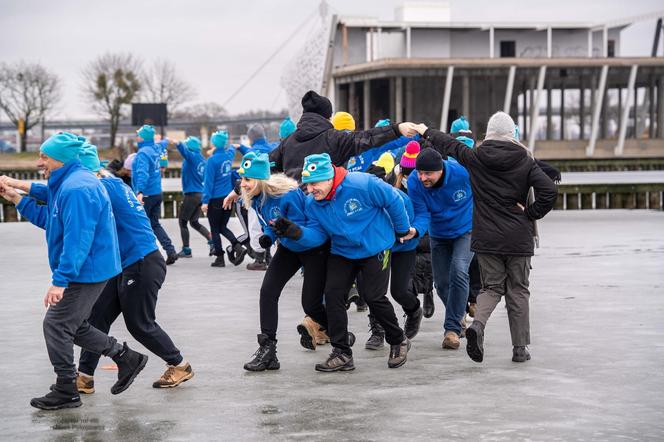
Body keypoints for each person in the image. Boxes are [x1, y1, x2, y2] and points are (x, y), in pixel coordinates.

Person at [0, 133, 148, 410]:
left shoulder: (78, 188)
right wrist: (16, 197)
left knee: (55, 325)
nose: (38, 162)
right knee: (74, 325)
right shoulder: (68, 182)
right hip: (91, 267)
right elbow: (51, 219)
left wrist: (60, 280)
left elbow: (78, 240)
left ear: (62, 158)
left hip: (86, 270)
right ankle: (126, 357)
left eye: (44, 157)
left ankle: (66, 389)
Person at [414, 111, 558, 363]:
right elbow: (548, 189)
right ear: (512, 134)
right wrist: (531, 213)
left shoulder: (476, 158)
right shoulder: (525, 160)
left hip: (486, 236)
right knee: (518, 290)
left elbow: (450, 144)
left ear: (488, 135)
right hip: (518, 237)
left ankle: (477, 325)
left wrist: (426, 131)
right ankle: (519, 349)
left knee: (491, 288)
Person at [291, 153, 415, 371]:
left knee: (373, 296)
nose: (310, 190)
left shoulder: (362, 184)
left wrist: (402, 228)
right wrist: (297, 233)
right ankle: (342, 352)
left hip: (375, 245)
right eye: (308, 185)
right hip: (343, 250)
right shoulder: (313, 204)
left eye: (315, 184)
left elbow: (393, 199)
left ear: (329, 177)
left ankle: (398, 339)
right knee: (332, 295)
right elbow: (319, 234)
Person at [237, 152, 341, 371]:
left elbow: (311, 227)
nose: (243, 184)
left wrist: (292, 232)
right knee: (268, 291)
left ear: (259, 179)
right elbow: (273, 222)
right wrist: (269, 235)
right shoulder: (257, 198)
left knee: (311, 304)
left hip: (313, 248)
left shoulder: (288, 195)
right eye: (242, 179)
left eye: (247, 179)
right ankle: (268, 351)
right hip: (289, 247)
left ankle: (338, 335)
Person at [269, 90, 419, 181]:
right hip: (325, 207)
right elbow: (368, 138)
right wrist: (397, 129)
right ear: (327, 117)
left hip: (295, 209)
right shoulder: (334, 138)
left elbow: (266, 167)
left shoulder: (287, 142)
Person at [408, 148, 474, 350]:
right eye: (420, 172)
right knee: (442, 283)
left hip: (467, 229)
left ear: (441, 170)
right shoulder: (414, 182)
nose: (422, 177)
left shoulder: (462, 172)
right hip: (439, 234)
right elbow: (421, 213)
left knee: (459, 270)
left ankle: (452, 330)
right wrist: (415, 231)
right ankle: (460, 311)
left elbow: (489, 183)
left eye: (428, 173)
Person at [132, 125, 178, 265]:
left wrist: (139, 191)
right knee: (154, 224)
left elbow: (142, 173)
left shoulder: (143, 153)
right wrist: (167, 140)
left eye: (139, 135)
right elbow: (162, 143)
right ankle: (170, 250)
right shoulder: (156, 148)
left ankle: (146, 257)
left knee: (141, 226)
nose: (137, 137)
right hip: (157, 192)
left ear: (143, 137)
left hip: (146, 195)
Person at [202, 130, 247, 267]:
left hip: (215, 199)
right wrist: (234, 145)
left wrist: (204, 201)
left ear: (213, 143)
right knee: (222, 226)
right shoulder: (228, 156)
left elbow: (208, 183)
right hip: (228, 197)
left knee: (215, 229)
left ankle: (220, 258)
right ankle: (237, 247)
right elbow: (233, 149)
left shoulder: (212, 161)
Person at [175, 136, 212, 258]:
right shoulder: (202, 159)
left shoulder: (192, 157)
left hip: (191, 194)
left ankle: (186, 250)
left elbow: (184, 151)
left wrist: (178, 143)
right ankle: (212, 241)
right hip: (201, 194)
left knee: (182, 221)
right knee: (194, 222)